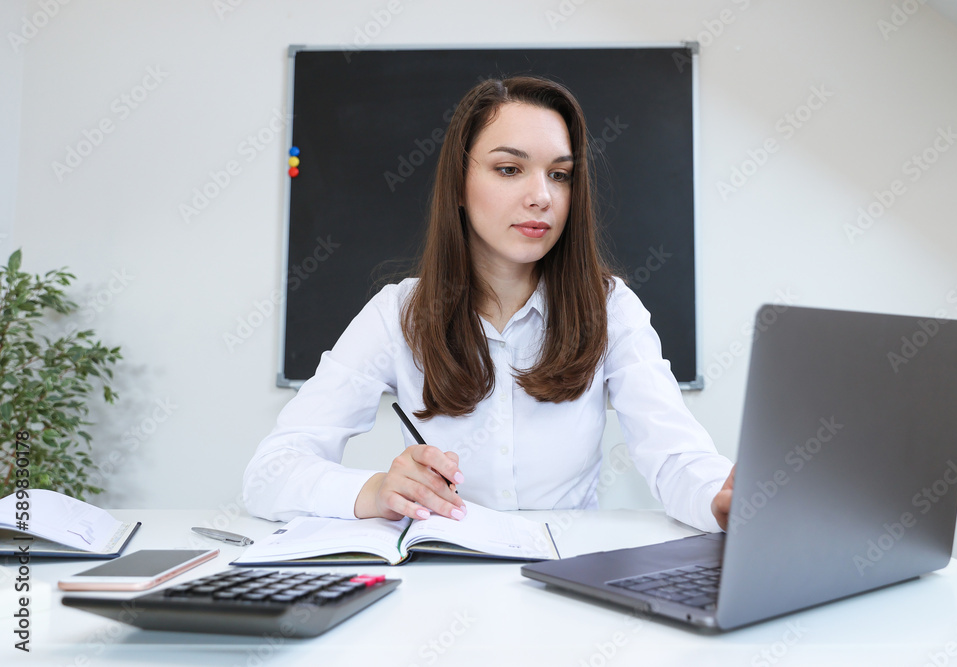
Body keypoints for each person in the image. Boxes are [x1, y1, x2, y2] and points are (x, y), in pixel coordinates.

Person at [243, 75, 735, 532]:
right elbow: (270, 473)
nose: (541, 196)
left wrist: (720, 497)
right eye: (509, 169)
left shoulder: (610, 309)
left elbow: (676, 458)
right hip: (438, 587)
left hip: (563, 582)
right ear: (459, 183)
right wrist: (374, 490)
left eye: (560, 175)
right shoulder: (398, 314)